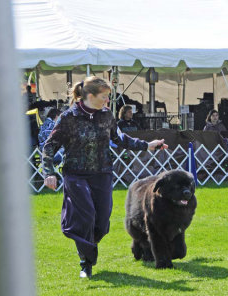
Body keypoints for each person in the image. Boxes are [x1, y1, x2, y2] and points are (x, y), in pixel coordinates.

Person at [42, 76, 167, 279]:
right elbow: (49, 146)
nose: (108, 101)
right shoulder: (68, 118)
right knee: (86, 215)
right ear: (90, 96)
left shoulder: (107, 115)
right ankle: (86, 262)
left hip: (102, 173)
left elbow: (119, 139)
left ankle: (88, 247)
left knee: (101, 223)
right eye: (105, 96)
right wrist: (49, 172)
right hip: (76, 174)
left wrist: (148, 144)